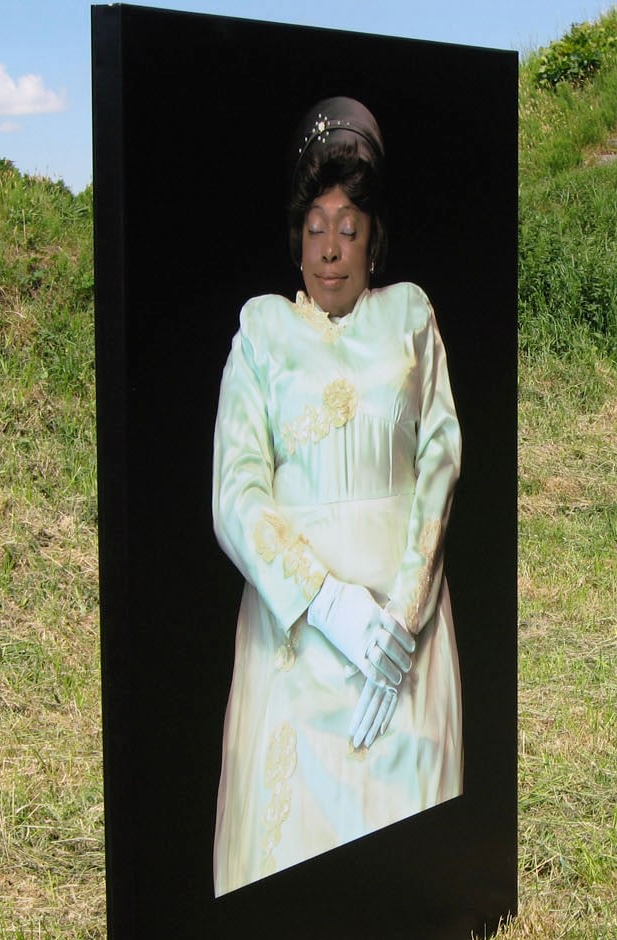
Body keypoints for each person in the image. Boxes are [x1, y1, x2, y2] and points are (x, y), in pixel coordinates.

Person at [211, 97, 462, 897]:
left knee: (409, 872)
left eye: (348, 226)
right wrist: (325, 603)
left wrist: (401, 611)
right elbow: (235, 489)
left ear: (372, 238)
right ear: (297, 235)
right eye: (316, 225)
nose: (330, 249)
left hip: (401, 633)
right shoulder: (259, 334)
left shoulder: (411, 316)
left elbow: (441, 455)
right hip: (298, 638)